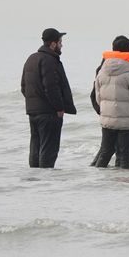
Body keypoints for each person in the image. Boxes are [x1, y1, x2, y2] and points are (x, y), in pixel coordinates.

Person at [22, 28, 77, 168]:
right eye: (60, 42)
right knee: (49, 150)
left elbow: (24, 86)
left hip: (33, 112)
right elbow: (51, 87)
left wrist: (34, 103)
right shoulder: (50, 60)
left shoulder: (31, 58)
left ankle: (35, 183)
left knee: (35, 149)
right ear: (53, 44)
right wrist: (59, 108)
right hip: (49, 113)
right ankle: (46, 185)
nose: (61, 45)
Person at [92, 36, 129, 169]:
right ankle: (124, 186)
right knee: (125, 156)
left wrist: (105, 111)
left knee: (105, 153)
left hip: (107, 120)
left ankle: (97, 183)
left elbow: (98, 97)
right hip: (127, 122)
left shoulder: (102, 71)